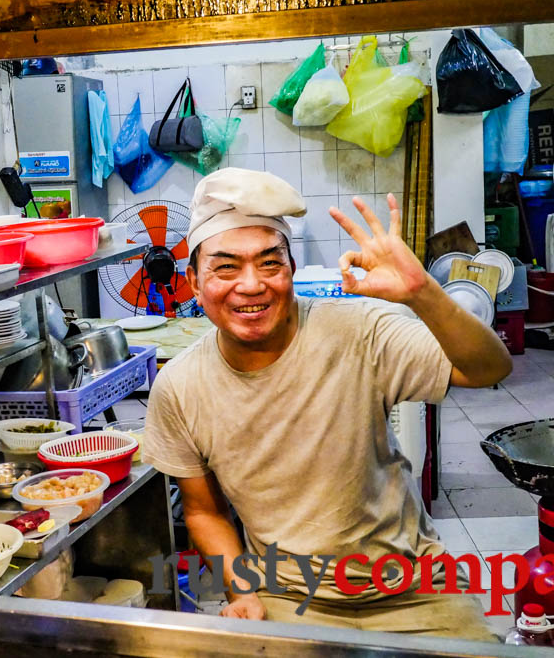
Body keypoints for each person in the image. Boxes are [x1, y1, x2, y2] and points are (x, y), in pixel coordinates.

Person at [142, 168, 512, 641]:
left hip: (414, 588)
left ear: (292, 270)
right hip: (285, 594)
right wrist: (241, 592)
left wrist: (423, 294)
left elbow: (488, 370)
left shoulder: (360, 331)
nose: (251, 285)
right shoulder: (179, 387)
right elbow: (203, 511)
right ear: (193, 281)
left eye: (269, 263)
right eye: (226, 267)